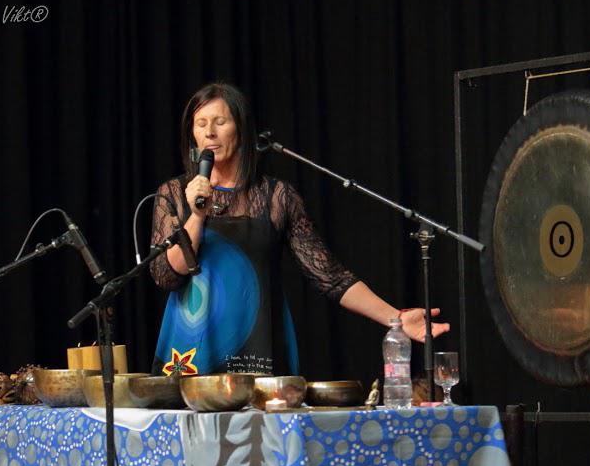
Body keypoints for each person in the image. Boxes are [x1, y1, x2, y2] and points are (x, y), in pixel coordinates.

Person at [149, 82, 448, 376]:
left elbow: (329, 276)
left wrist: (396, 319)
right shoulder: (174, 193)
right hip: (192, 349)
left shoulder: (277, 197)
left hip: (257, 345)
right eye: (200, 124)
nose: (209, 132)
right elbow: (166, 274)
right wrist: (197, 215)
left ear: (241, 129)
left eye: (220, 121)